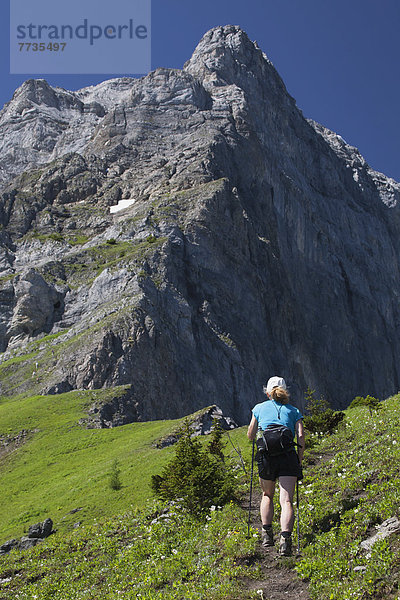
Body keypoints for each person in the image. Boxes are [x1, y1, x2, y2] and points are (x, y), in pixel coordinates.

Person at [247, 376, 304, 556]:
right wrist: (299, 460)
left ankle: (266, 534)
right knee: (286, 500)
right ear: (285, 391)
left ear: (267, 392)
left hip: (266, 457)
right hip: (288, 456)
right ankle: (285, 541)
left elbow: (250, 435)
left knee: (267, 495)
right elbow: (301, 437)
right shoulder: (294, 411)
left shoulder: (258, 408)